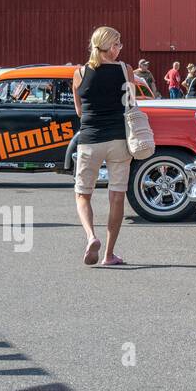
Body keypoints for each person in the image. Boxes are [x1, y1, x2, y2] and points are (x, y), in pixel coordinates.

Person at [73, 26, 133, 267]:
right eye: (118, 44)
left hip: (89, 140)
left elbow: (79, 110)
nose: (120, 48)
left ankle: (91, 236)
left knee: (82, 194)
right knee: (117, 197)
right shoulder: (125, 70)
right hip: (119, 139)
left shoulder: (79, 72)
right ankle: (109, 254)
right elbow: (131, 103)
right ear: (108, 46)